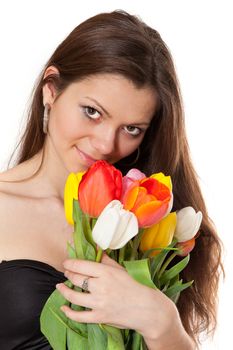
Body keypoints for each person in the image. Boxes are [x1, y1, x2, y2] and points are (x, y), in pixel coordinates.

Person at [0, 9, 223, 350]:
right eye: (92, 112)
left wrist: (162, 323)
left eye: (131, 129)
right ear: (51, 90)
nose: (106, 144)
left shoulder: (147, 220)